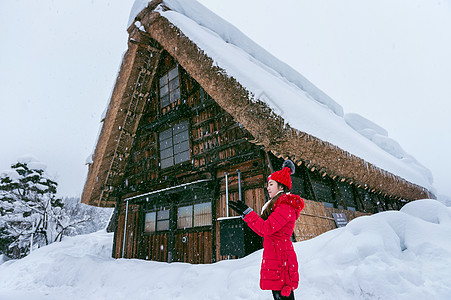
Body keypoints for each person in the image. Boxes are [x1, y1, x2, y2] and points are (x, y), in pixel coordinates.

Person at [229, 160, 305, 300]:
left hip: (281, 258)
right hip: (276, 256)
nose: (268, 188)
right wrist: (246, 215)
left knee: (283, 297)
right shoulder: (277, 205)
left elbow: (266, 228)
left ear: (281, 186)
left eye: (271, 184)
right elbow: (263, 231)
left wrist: (248, 212)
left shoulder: (285, 206)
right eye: (267, 185)